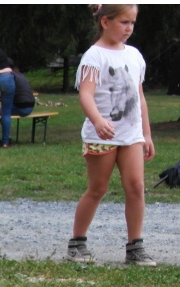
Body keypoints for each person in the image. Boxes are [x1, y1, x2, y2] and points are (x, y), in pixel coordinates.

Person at [66, 4, 155, 266]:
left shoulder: (135, 55)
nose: (129, 28)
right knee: (97, 188)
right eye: (124, 22)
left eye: (132, 23)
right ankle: (77, 243)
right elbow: (86, 94)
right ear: (105, 22)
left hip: (131, 135)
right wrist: (97, 120)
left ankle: (135, 247)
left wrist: (146, 134)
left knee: (136, 187)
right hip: (101, 135)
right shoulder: (94, 56)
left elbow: (140, 98)